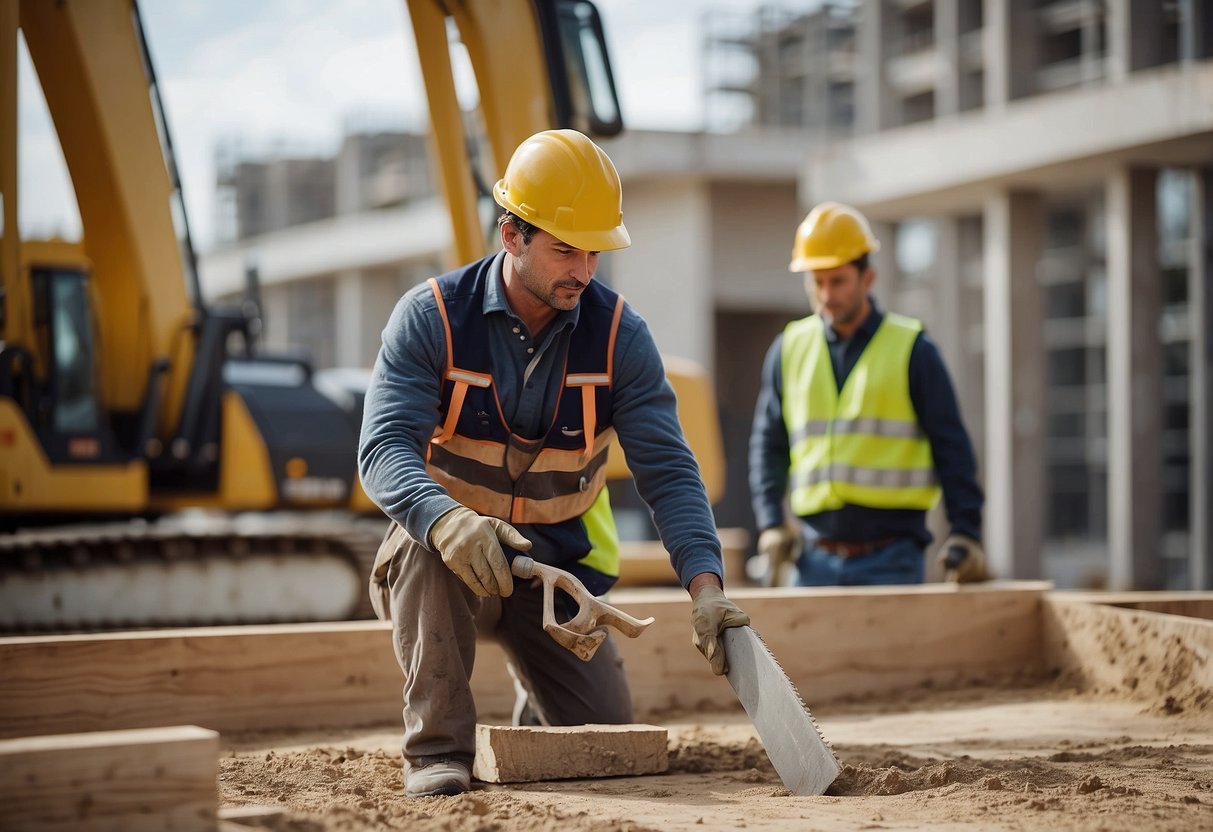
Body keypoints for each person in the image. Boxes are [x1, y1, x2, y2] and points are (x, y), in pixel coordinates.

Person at [358, 129, 750, 798]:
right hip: (446, 566)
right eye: (566, 249)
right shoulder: (432, 319)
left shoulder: (619, 336)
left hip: (552, 576)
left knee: (599, 732)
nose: (583, 270)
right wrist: (445, 519)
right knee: (425, 549)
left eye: (594, 251)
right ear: (511, 236)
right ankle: (436, 752)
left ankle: (534, 705)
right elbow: (382, 447)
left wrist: (705, 585)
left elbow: (669, 471)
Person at [748, 201, 986, 588]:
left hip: (891, 558)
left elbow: (952, 447)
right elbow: (767, 444)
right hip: (811, 560)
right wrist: (771, 522)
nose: (826, 294)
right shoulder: (789, 348)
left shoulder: (914, 349)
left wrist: (967, 531)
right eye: (816, 281)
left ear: (867, 278)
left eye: (837, 281)